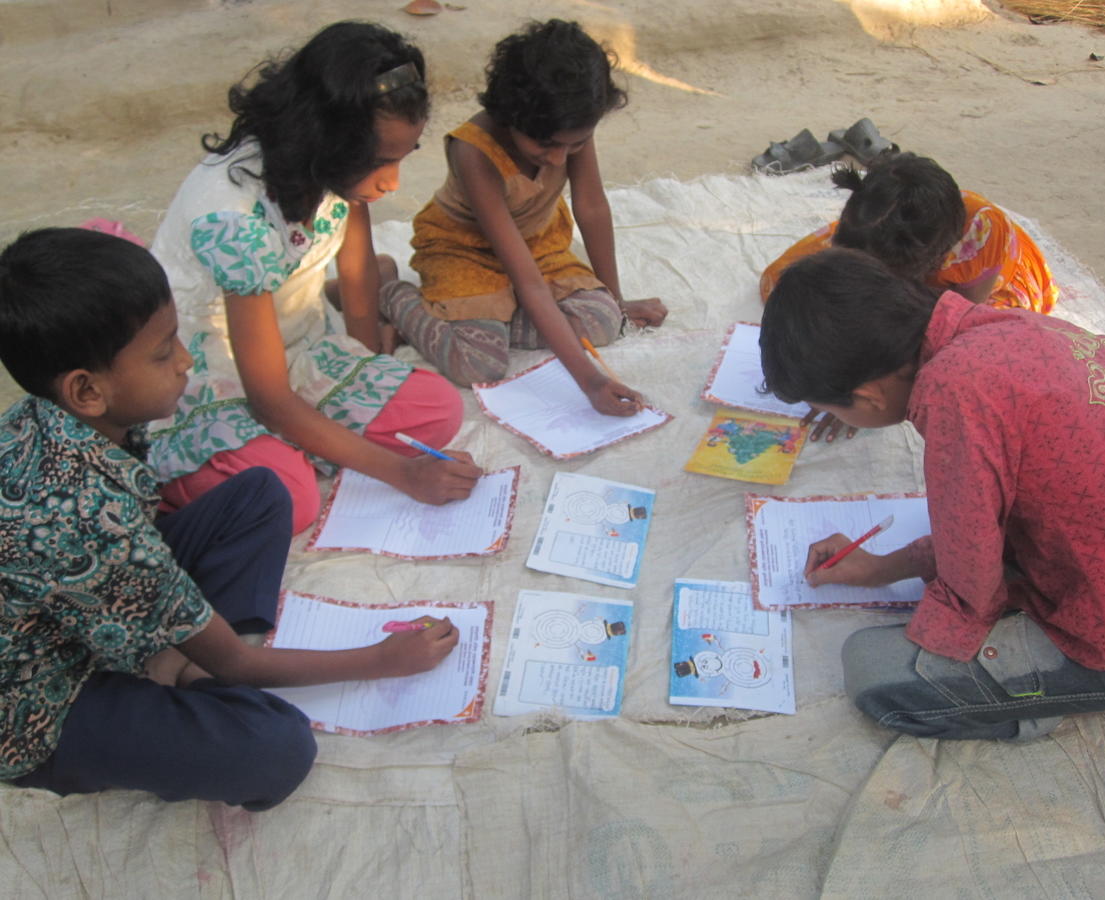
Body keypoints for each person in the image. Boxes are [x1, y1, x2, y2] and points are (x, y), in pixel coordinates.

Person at [0, 228, 460, 809]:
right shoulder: (89, 514)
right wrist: (383, 660)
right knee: (276, 749)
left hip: (81, 601)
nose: (187, 362)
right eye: (164, 351)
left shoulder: (64, 420)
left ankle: (182, 660)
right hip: (41, 697)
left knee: (261, 492)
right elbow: (235, 659)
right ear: (86, 390)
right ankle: (183, 670)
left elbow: (131, 547)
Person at [758, 248, 1105, 741]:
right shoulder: (1008, 327)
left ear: (868, 396)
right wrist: (881, 568)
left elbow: (972, 585)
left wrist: (946, 634)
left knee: (875, 672)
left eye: (831, 409)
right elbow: (984, 526)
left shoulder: (954, 393)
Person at [150, 21, 482, 534]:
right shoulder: (232, 217)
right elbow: (268, 399)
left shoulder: (335, 170)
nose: (392, 182)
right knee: (289, 500)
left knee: (438, 408)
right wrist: (402, 473)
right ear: (328, 140)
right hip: (212, 365)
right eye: (380, 163)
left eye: (401, 158)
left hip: (294, 341)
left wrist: (366, 371)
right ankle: (186, 480)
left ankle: (296, 447)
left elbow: (357, 280)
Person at [386, 19, 668, 414]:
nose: (558, 158)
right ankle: (392, 293)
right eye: (546, 145)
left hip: (537, 242)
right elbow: (529, 284)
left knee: (605, 320)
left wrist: (616, 301)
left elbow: (591, 207)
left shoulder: (568, 127)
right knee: (479, 364)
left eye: (575, 145)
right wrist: (590, 381)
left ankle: (495, 320)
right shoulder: (475, 153)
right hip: (464, 251)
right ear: (509, 116)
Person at [761, 153, 1060, 442]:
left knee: (994, 340)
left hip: (970, 289)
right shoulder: (871, 226)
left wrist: (843, 387)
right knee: (790, 280)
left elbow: (963, 318)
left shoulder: (982, 233)